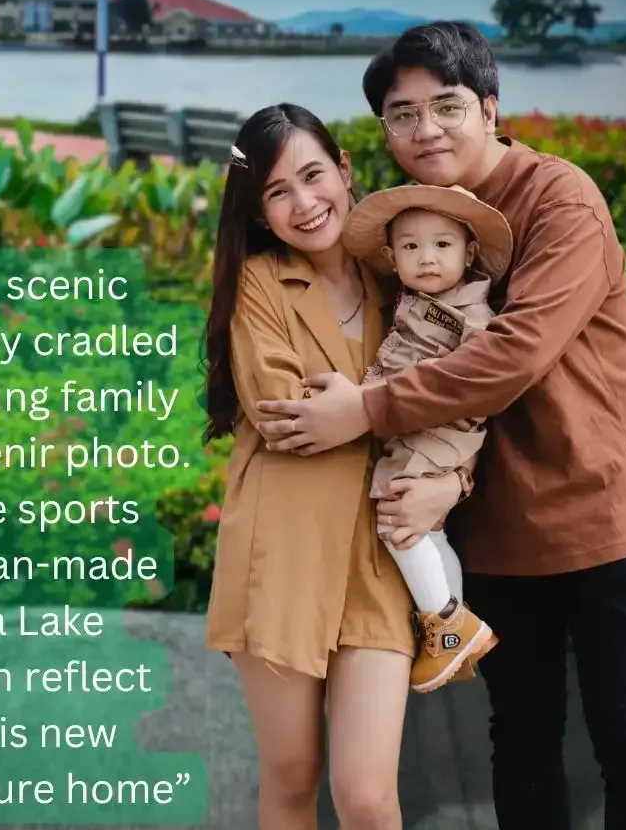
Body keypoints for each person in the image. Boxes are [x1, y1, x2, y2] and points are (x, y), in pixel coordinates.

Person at [253, 22, 626, 830]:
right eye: (401, 116)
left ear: (489, 107)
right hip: (492, 535)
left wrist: (366, 409)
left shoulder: (560, 198)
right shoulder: (410, 225)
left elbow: (516, 354)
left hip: (601, 524)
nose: (425, 131)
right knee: (520, 745)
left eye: (445, 107)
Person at [203, 102, 416, 830]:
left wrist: (357, 408)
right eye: (277, 192)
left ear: (345, 170)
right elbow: (282, 414)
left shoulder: (404, 271)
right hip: (281, 547)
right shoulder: (259, 282)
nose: (304, 203)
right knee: (292, 777)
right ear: (260, 213)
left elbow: (456, 393)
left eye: (313, 175)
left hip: (382, 553)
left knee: (365, 795)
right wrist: (394, 408)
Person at [341, 182, 513, 692]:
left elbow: (485, 376)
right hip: (418, 432)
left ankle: (444, 622)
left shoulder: (474, 309)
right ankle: (452, 630)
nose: (428, 258)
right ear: (393, 258)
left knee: (398, 520)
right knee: (429, 529)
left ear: (469, 252)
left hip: (438, 433)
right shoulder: (409, 300)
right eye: (412, 247)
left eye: (442, 245)